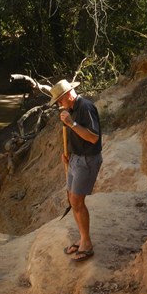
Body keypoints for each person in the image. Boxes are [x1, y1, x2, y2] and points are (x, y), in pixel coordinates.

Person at [51, 78, 102, 262]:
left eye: (59, 100)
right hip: (75, 158)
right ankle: (82, 239)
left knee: (77, 201)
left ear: (69, 94)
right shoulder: (70, 109)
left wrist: (71, 124)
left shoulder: (86, 108)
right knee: (72, 201)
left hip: (87, 160)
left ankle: (87, 244)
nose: (58, 104)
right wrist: (68, 154)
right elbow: (75, 136)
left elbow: (93, 138)